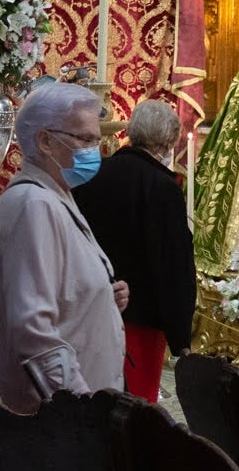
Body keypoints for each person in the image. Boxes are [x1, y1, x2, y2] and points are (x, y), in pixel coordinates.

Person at [0, 80, 129, 414]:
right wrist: (81, 408)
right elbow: (33, 330)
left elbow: (58, 289)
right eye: (85, 139)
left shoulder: (56, 194)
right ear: (45, 141)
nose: (95, 149)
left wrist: (100, 298)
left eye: (98, 139)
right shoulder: (34, 205)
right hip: (43, 420)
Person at [73, 98, 196, 404]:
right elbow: (173, 267)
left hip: (95, 305)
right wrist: (182, 336)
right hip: (143, 317)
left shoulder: (94, 175)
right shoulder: (163, 188)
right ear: (168, 143)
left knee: (97, 395)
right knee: (136, 404)